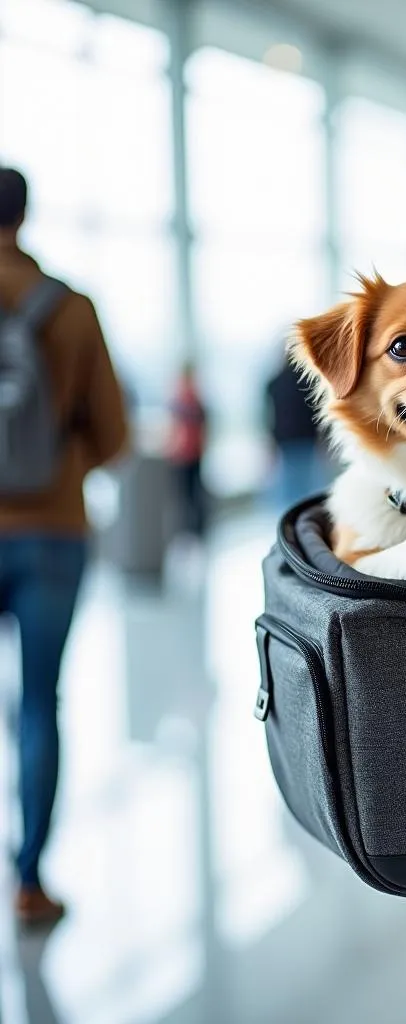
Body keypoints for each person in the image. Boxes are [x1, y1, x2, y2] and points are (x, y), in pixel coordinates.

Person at [0, 167, 128, 925]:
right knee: (39, 705)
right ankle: (29, 883)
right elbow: (113, 438)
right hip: (52, 533)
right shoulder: (71, 309)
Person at [264, 354, 330, 510]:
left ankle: (289, 521)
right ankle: (306, 518)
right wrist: (324, 440)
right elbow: (318, 414)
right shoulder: (307, 382)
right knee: (309, 486)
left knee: (289, 488)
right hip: (307, 438)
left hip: (284, 440)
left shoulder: (273, 383)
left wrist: (270, 443)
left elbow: (269, 417)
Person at [167, 362, 207, 538]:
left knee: (188, 496)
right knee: (191, 495)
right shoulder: (192, 400)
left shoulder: (183, 400)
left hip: (185, 454)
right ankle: (193, 531)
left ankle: (191, 531)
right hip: (189, 453)